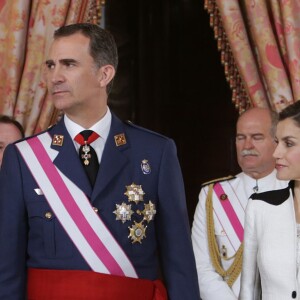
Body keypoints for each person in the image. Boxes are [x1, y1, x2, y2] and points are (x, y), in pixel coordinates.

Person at [0, 23, 200, 300]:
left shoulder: (156, 152)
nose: (55, 76)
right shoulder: (23, 158)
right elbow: (7, 269)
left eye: (69, 64)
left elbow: (179, 261)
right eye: (50, 65)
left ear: (105, 74)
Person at [191, 107, 288, 300]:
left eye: (257, 137)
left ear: (277, 141)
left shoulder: (294, 191)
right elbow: (201, 268)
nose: (247, 145)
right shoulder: (213, 196)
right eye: (240, 137)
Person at [240, 101, 300, 300]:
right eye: (277, 142)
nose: (276, 153)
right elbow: (248, 290)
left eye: (288, 143)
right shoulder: (259, 207)